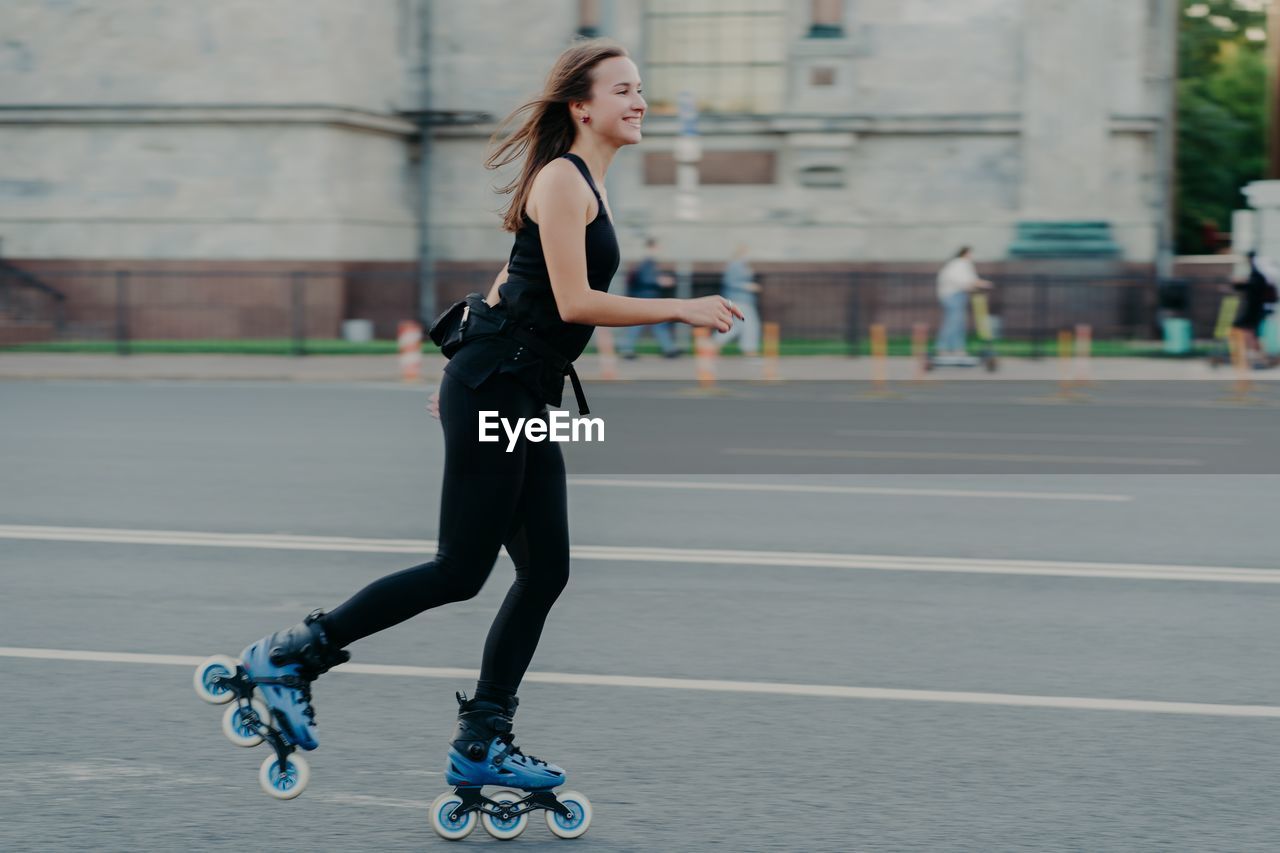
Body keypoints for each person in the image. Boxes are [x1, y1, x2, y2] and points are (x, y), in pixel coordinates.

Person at [219, 38, 742, 816]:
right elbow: (570, 301)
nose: (639, 102)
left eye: (641, 90)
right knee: (459, 569)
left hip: (513, 388)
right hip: (501, 390)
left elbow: (510, 276)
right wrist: (681, 305)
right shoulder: (565, 180)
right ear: (582, 105)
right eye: (624, 90)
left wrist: (456, 361)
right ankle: (291, 659)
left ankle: (482, 738)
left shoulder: (582, 180)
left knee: (546, 569)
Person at [615, 237, 680, 358]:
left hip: (646, 297)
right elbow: (646, 279)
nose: (659, 250)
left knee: (656, 323)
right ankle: (627, 349)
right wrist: (660, 281)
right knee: (642, 323)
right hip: (646, 297)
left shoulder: (648, 262)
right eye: (657, 247)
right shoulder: (648, 262)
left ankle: (668, 348)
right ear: (652, 247)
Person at [934, 246, 991, 358]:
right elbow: (964, 280)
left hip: (955, 295)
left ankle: (957, 348)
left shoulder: (958, 264)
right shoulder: (960, 263)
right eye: (970, 253)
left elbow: (970, 280)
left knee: (958, 323)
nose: (972, 256)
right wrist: (980, 284)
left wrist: (978, 284)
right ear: (965, 253)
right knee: (954, 322)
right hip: (953, 295)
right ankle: (943, 348)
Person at [712, 243, 762, 357]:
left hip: (742, 300)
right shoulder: (735, 265)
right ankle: (749, 349)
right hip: (739, 300)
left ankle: (714, 344)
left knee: (735, 326)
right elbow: (729, 282)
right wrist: (747, 286)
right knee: (750, 325)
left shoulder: (742, 265)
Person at [1233, 251, 1278, 368]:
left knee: (1247, 329)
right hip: (1259, 309)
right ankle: (1258, 356)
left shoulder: (1258, 275)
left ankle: (1257, 356)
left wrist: (1242, 284)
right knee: (1252, 332)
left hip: (1255, 309)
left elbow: (1253, 288)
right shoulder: (1260, 274)